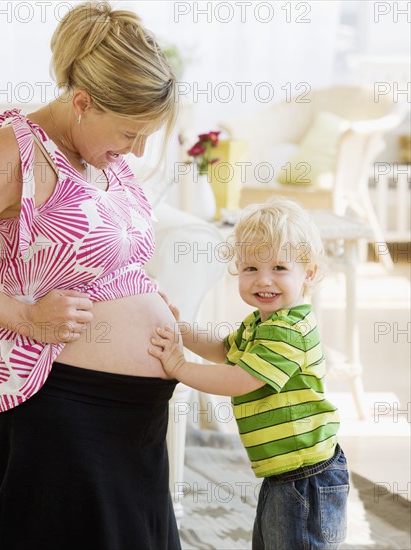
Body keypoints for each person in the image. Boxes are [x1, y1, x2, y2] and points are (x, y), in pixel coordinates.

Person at [0, 2, 182, 549]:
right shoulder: (11, 152)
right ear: (83, 103)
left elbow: (99, 260)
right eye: (132, 131)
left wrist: (142, 292)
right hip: (62, 408)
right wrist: (23, 315)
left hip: (133, 421)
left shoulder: (101, 157)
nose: (136, 150)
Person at [149, 197, 349, 550]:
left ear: (310, 273)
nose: (264, 280)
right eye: (251, 269)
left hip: (306, 473)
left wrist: (180, 367)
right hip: (284, 471)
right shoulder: (261, 322)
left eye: (279, 268)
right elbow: (224, 350)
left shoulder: (289, 329)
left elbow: (241, 379)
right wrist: (181, 329)